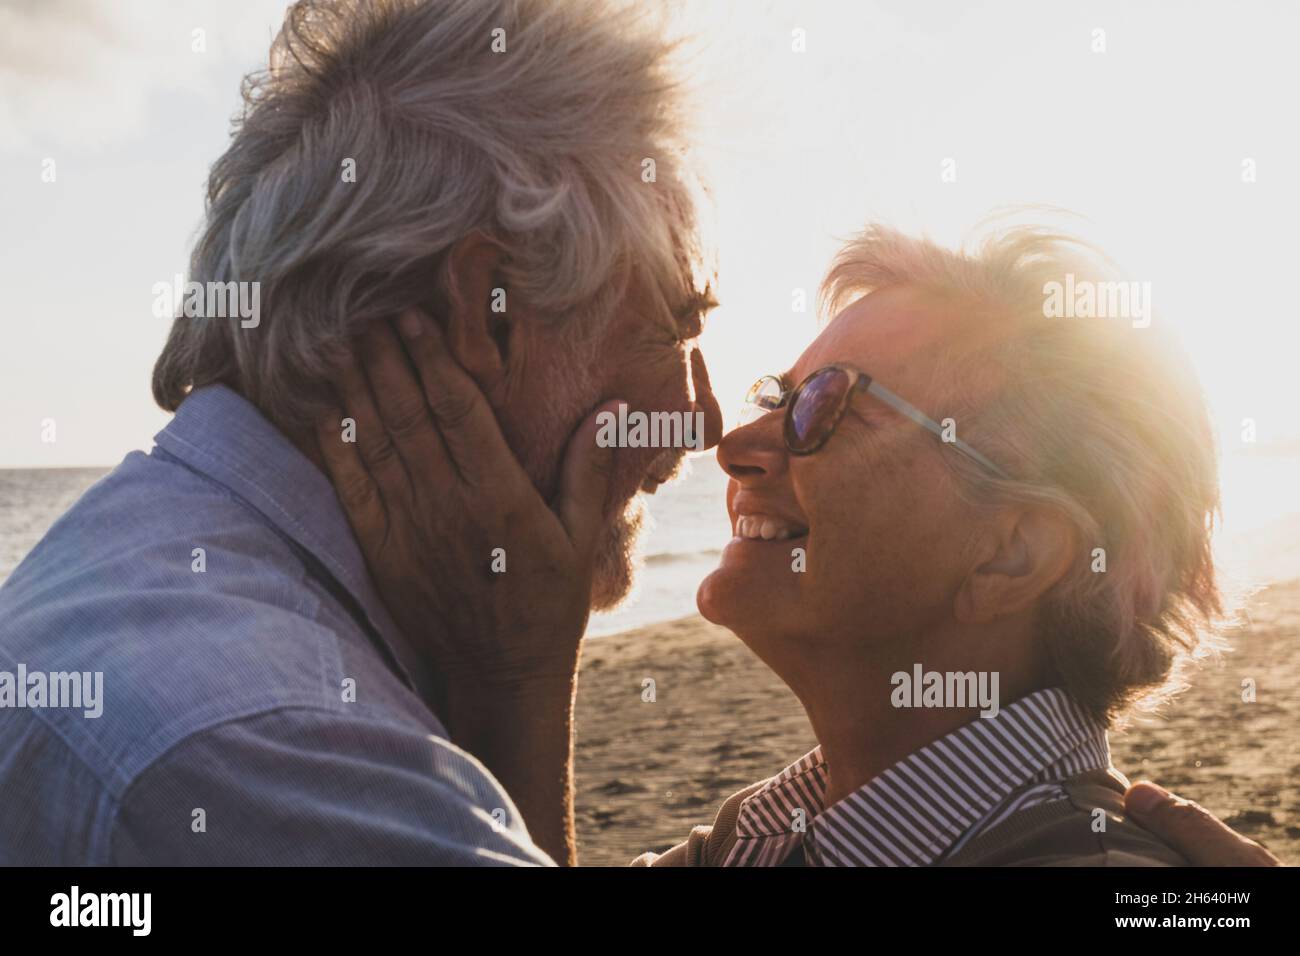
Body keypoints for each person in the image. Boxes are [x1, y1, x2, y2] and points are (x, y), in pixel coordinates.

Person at [0, 0, 719, 866]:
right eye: (676, 330)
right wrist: (518, 691)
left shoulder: (140, 558)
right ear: (488, 314)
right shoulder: (286, 762)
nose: (705, 420)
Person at [322, 221, 1283, 867]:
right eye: (776, 398)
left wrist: (514, 681)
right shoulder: (782, 830)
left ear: (1012, 555)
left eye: (825, 409)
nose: (731, 445)